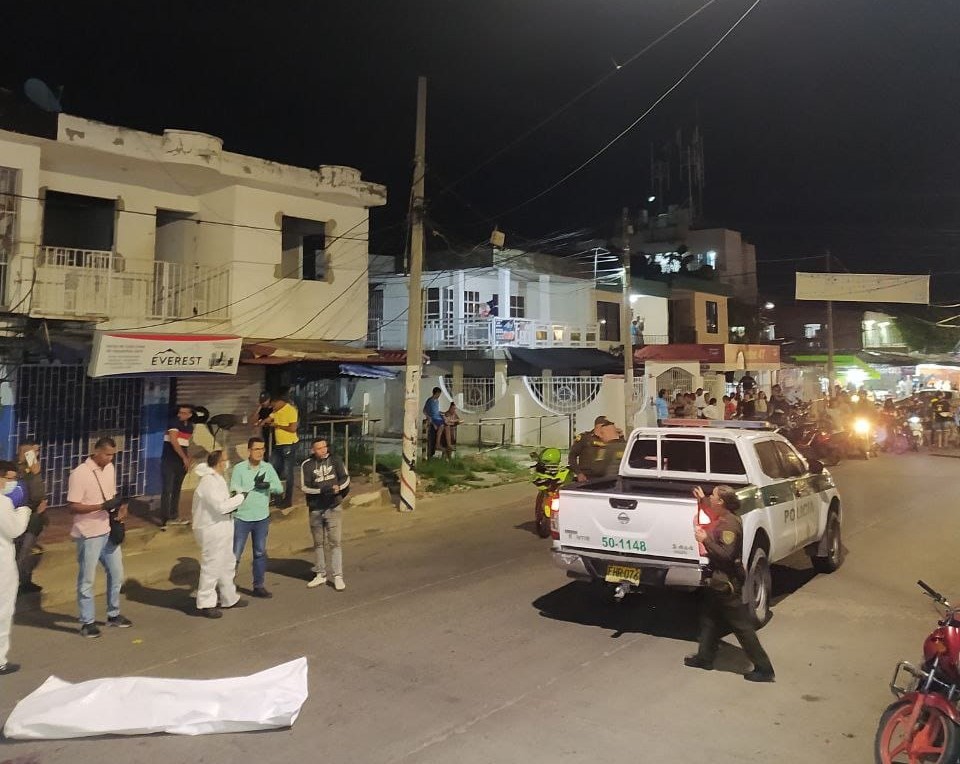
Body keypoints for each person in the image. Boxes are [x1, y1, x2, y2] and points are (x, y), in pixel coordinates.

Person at [685, 485, 775, 682]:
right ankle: (705, 658)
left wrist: (705, 539)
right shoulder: (723, 514)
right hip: (717, 581)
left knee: (742, 628)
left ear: (721, 502)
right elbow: (710, 508)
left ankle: (764, 668)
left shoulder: (729, 526)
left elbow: (726, 555)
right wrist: (702, 500)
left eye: (713, 496)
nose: (710, 497)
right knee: (708, 620)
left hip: (727, 583)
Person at [67, 437, 133, 638]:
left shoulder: (110, 469)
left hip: (107, 529)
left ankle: (113, 614)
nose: (110, 458)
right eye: (107, 454)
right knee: (87, 578)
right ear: (96, 451)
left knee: (117, 573)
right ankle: (87, 622)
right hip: (88, 532)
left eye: (113, 454)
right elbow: (73, 506)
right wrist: (100, 507)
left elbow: (112, 495)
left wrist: (121, 508)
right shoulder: (80, 473)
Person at [191, 450, 249, 618]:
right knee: (212, 566)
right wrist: (240, 498)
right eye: (225, 459)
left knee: (226, 563)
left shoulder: (217, 479)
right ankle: (205, 603)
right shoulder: (208, 481)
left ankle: (229, 597)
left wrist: (235, 498)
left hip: (222, 526)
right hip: (211, 529)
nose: (227, 462)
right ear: (218, 462)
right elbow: (221, 506)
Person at [231, 437, 283, 598]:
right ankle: (227, 586)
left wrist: (268, 485)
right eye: (256, 449)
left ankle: (258, 585)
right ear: (249, 451)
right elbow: (233, 489)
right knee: (235, 554)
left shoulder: (267, 468)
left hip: (261, 517)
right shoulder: (239, 468)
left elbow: (279, 488)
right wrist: (244, 490)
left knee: (260, 552)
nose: (260, 452)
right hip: (242, 517)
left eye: (262, 449)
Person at [301, 438, 350, 592]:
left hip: (333, 506)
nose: (323, 450)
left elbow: (346, 478)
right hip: (315, 508)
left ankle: (338, 576)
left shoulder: (335, 460)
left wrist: (338, 488)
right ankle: (321, 574)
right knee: (318, 543)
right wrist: (320, 491)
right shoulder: (307, 465)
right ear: (312, 450)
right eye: (319, 448)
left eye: (324, 447)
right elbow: (304, 487)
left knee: (335, 542)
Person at [0, 486, 31, 674]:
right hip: (2, 566)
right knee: (2, 612)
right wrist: (23, 509)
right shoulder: (2, 502)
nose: (12, 483)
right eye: (8, 478)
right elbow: (15, 529)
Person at [14, 443, 47, 595]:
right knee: (20, 550)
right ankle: (17, 582)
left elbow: (38, 493)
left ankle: (25, 581)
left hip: (33, 517)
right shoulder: (15, 470)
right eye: (32, 451)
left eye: (37, 451)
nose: (35, 454)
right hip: (19, 515)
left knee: (25, 550)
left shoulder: (34, 470)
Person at [160, 404, 195, 528]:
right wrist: (184, 458)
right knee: (167, 490)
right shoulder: (173, 422)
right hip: (169, 461)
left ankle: (174, 515)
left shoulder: (190, 426)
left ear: (190, 415)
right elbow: (174, 441)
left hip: (180, 462)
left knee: (176, 489)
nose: (181, 415)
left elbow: (185, 444)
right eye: (180, 412)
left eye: (184, 413)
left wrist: (188, 458)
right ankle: (164, 519)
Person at [265, 392, 299, 509]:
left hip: (289, 444)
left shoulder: (290, 410)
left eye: (273, 404)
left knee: (288, 473)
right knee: (272, 470)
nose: (272, 407)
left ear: (280, 402)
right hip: (279, 445)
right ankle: (277, 497)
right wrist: (262, 422)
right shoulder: (276, 411)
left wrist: (278, 426)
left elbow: (293, 428)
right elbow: (269, 419)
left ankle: (287, 500)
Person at [568, 416, 622, 482]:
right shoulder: (585, 438)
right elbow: (572, 456)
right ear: (598, 426)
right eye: (606, 426)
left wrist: (620, 437)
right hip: (587, 477)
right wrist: (579, 473)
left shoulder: (611, 438)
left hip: (606, 478)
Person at [423, 387, 445, 459]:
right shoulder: (430, 401)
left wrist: (443, 413)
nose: (439, 395)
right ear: (436, 393)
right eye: (438, 394)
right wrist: (430, 420)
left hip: (437, 417)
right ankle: (437, 444)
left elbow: (436, 411)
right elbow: (424, 411)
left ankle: (442, 443)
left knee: (446, 422)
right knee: (441, 426)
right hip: (433, 419)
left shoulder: (437, 401)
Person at [251, 392, 274, 458]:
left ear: (269, 399)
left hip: (275, 435)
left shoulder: (274, 408)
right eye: (261, 401)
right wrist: (258, 409)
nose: (263, 403)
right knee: (266, 452)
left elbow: (271, 418)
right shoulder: (262, 409)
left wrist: (262, 423)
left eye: (264, 401)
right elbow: (253, 420)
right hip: (266, 435)